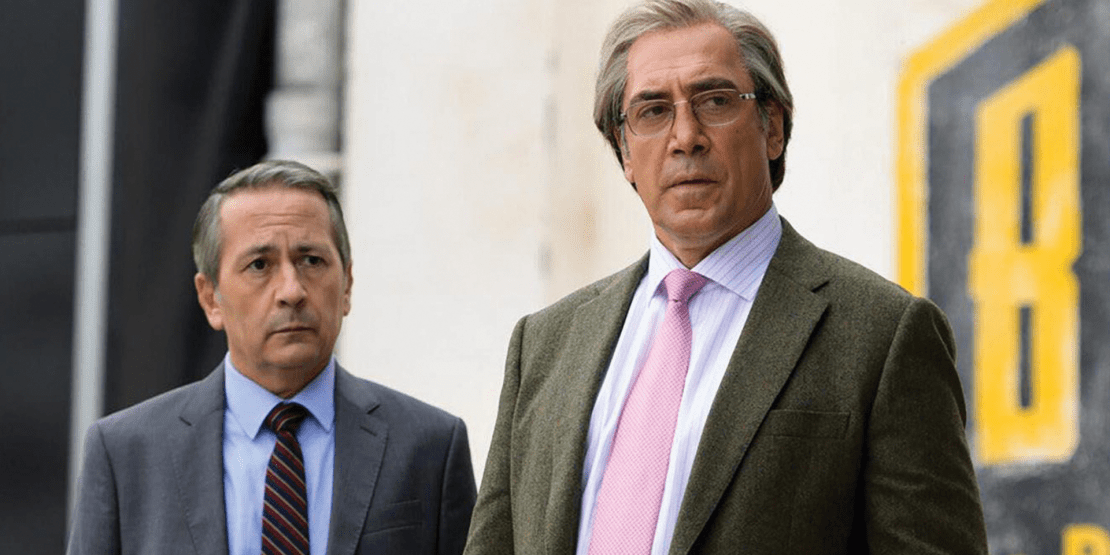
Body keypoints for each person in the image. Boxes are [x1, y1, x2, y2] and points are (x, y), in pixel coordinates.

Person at [463, 1, 987, 553]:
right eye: (653, 111)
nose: (685, 136)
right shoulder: (545, 345)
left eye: (714, 101)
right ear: (624, 152)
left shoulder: (882, 337)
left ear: (774, 128)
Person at [68, 160, 477, 555]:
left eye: (311, 261)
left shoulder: (429, 447)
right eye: (260, 264)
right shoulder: (126, 454)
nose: (292, 290)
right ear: (210, 297)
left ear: (348, 285)